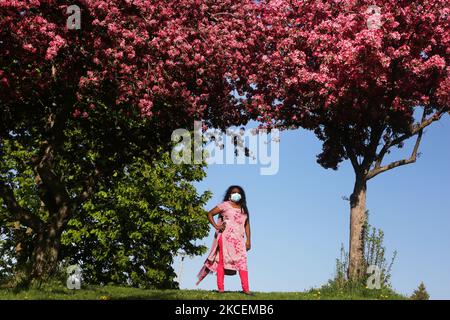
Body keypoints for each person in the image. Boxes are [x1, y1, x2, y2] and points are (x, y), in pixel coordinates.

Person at [196, 185, 252, 295]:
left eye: (238, 192)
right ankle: (221, 289)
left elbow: (247, 224)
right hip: (226, 238)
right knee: (222, 262)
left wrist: (248, 240)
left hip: (240, 240)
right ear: (229, 194)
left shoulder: (243, 208)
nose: (236, 194)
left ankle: (246, 290)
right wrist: (216, 227)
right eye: (233, 192)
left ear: (241, 195)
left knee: (242, 263)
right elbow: (210, 214)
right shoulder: (225, 205)